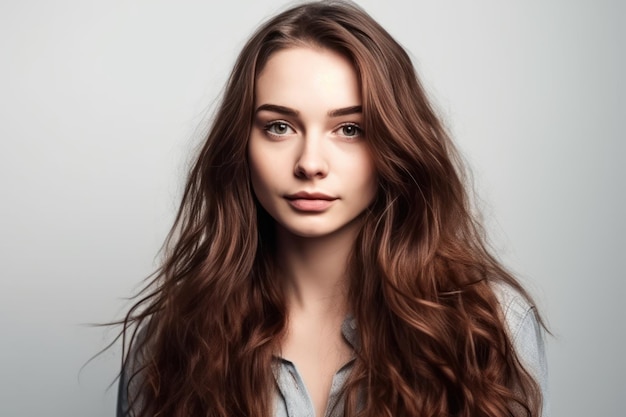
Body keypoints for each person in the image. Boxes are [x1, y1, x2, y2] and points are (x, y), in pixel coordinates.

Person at [116, 1, 548, 416]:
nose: (310, 163)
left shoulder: (486, 328)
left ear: (394, 144)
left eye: (349, 129)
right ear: (241, 145)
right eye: (279, 127)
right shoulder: (171, 337)